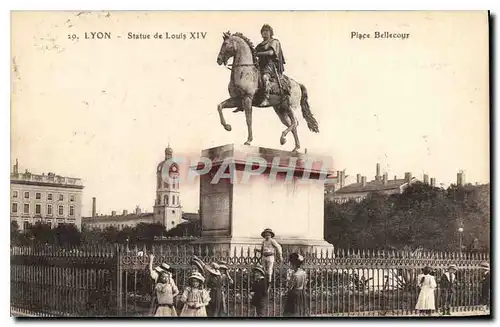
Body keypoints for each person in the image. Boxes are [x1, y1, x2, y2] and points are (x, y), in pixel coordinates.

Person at [255, 24, 286, 106]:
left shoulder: (274, 42)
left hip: (270, 65)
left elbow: (270, 52)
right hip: (260, 65)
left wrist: (258, 54)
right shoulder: (260, 45)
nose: (264, 33)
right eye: (263, 31)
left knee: (265, 77)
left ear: (270, 32)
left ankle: (266, 98)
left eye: (267, 31)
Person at [283, 253, 308, 317]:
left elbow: (290, 287)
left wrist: (288, 279)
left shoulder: (294, 275)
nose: (290, 265)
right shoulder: (303, 273)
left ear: (293, 264)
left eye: (291, 264)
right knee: (300, 310)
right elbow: (305, 283)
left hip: (294, 294)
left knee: (292, 312)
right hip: (301, 293)